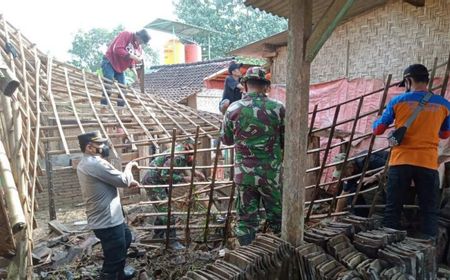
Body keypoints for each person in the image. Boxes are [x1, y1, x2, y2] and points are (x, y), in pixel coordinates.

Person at [373, 64, 450, 240]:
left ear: (408, 80)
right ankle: (427, 247)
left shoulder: (398, 102)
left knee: (393, 208)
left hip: (400, 162)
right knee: (429, 210)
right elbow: (445, 134)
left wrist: (376, 121)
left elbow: (377, 130)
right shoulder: (444, 105)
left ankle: (389, 247)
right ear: (426, 81)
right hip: (428, 163)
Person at [220, 67, 285, 245]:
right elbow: (287, 140)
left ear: (246, 85)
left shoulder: (233, 109)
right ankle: (285, 255)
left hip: (244, 175)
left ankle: (248, 257)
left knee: (246, 221)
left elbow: (226, 140)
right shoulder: (278, 108)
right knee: (279, 218)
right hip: (271, 174)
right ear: (265, 86)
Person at [76, 131, 140, 280]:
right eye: (100, 144)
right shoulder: (95, 163)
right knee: (113, 258)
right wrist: (130, 166)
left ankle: (120, 274)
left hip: (110, 218)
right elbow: (123, 180)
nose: (104, 146)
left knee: (126, 238)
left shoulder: (88, 163)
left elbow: (113, 180)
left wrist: (127, 180)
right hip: (107, 222)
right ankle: (111, 275)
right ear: (89, 147)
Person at [141, 139, 205, 249]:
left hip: (159, 181)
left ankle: (158, 235)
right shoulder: (177, 156)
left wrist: (196, 172)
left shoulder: (187, 153)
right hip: (153, 181)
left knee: (163, 208)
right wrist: (184, 178)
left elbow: (188, 163)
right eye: (194, 145)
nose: (196, 148)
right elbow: (164, 175)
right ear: (187, 145)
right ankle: (171, 241)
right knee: (167, 210)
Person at [101, 29, 151, 106]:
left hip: (120, 69)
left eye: (142, 42)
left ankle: (120, 110)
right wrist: (133, 57)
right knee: (108, 83)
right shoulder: (126, 34)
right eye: (141, 40)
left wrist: (135, 75)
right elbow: (117, 49)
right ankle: (103, 107)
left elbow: (131, 63)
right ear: (138, 35)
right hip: (110, 62)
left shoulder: (138, 48)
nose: (141, 43)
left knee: (123, 90)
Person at [332, 150, 389, 217]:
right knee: (352, 192)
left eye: (344, 173)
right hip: (371, 176)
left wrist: (373, 177)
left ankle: (391, 219)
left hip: (391, 171)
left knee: (389, 192)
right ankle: (362, 217)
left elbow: (390, 167)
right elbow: (343, 196)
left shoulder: (367, 159)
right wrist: (335, 217)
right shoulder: (349, 174)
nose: (343, 176)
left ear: (350, 167)